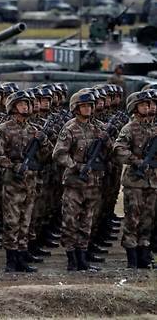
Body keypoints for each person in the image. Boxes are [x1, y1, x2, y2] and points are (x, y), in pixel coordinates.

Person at [0, 90, 53, 273]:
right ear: (13, 107)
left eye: (27, 104)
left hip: (30, 182)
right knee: (12, 222)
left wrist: (44, 142)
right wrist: (13, 165)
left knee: (26, 221)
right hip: (13, 182)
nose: (25, 107)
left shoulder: (34, 130)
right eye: (21, 104)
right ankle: (11, 260)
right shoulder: (4, 129)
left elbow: (46, 156)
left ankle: (22, 257)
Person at [53, 90, 110, 271]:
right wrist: (76, 166)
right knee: (70, 222)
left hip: (93, 183)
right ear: (76, 108)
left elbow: (110, 153)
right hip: (74, 183)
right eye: (83, 106)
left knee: (87, 222)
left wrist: (106, 141)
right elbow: (59, 154)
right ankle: (72, 259)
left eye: (89, 106)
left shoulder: (98, 128)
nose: (87, 109)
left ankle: (82, 259)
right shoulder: (69, 128)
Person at [113, 90, 157, 269]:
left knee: (148, 219)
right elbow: (119, 149)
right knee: (132, 219)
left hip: (153, 181)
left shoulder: (154, 128)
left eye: (149, 104)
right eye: (143, 104)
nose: (148, 107)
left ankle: (144, 254)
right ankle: (132, 257)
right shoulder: (129, 128)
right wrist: (137, 161)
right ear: (134, 107)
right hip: (135, 183)